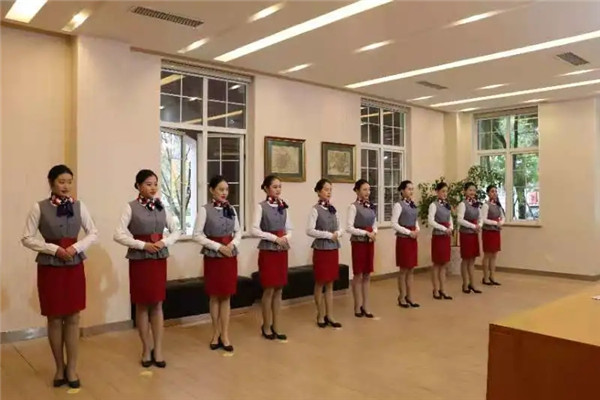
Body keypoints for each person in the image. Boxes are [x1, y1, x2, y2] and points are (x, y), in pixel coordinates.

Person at [22, 164, 98, 388]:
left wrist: (76, 247)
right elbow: (27, 238)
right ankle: (59, 368)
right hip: (50, 267)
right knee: (54, 318)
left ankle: (72, 368)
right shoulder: (39, 207)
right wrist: (54, 249)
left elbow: (93, 232)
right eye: (61, 181)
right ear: (51, 183)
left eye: (69, 182)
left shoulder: (79, 206)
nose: (66, 186)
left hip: (74, 265)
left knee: (73, 317)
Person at [114, 169, 181, 368]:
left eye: (155, 184)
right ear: (138, 186)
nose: (153, 188)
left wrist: (164, 242)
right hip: (140, 259)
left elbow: (176, 230)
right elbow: (118, 234)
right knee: (142, 305)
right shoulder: (130, 207)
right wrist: (143, 245)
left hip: (158, 258)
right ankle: (146, 348)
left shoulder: (162, 206)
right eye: (148, 184)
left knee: (158, 304)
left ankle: (158, 349)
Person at [193, 175, 242, 352]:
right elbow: (197, 235)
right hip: (213, 256)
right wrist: (218, 247)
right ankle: (215, 333)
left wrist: (232, 245)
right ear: (212, 190)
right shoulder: (205, 210)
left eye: (226, 189)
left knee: (226, 296)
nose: (224, 192)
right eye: (221, 189)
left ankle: (225, 334)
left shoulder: (231, 209)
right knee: (214, 296)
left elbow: (238, 232)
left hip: (229, 255)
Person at [251, 175, 292, 340]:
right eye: (275, 187)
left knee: (279, 289)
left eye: (279, 186)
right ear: (267, 188)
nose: (278, 189)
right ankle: (266, 325)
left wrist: (285, 238)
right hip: (268, 250)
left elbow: (290, 228)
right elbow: (255, 229)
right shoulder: (261, 207)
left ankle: (277, 325)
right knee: (269, 288)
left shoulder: (284, 206)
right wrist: (274, 238)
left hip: (282, 249)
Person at [306, 179, 344, 328]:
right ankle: (320, 314)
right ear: (318, 191)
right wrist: (328, 235)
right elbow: (309, 230)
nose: (329, 192)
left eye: (330, 190)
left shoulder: (333, 209)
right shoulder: (315, 209)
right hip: (321, 249)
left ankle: (330, 315)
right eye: (326, 189)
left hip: (333, 248)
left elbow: (340, 227)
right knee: (320, 281)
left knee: (330, 283)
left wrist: (338, 233)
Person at [346, 179, 377, 318]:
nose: (367, 192)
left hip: (369, 241)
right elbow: (349, 227)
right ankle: (357, 305)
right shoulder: (353, 207)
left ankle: (366, 305)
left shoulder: (371, 206)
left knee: (367, 274)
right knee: (358, 274)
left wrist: (374, 232)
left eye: (369, 189)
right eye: (364, 189)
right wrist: (365, 233)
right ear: (357, 191)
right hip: (358, 242)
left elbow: (374, 223)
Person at [392, 180, 420, 308]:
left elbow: (415, 221)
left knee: (411, 269)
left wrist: (417, 230)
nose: (411, 191)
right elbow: (394, 223)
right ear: (402, 191)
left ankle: (410, 296)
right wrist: (409, 232)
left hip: (413, 239)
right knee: (403, 269)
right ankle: (401, 296)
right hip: (404, 239)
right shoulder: (398, 205)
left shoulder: (413, 205)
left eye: (412, 189)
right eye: (409, 189)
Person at [428, 182, 454, 300]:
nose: (445, 193)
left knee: (444, 264)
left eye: (446, 191)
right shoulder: (433, 205)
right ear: (437, 192)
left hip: (446, 236)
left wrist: (451, 228)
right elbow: (431, 221)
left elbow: (450, 219)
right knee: (437, 263)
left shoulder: (447, 205)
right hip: (438, 236)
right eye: (443, 191)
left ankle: (443, 289)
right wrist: (444, 229)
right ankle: (435, 289)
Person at [457, 182, 483, 294]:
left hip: (474, 234)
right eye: (470, 190)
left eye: (474, 190)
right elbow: (460, 220)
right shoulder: (462, 204)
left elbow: (481, 218)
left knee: (472, 259)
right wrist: (473, 226)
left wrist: (479, 225)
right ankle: (465, 284)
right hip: (466, 234)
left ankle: (472, 284)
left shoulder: (477, 204)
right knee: (466, 259)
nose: (472, 192)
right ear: (465, 191)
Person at [481, 184, 505, 286]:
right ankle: (485, 277)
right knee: (487, 255)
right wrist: (496, 223)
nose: (494, 193)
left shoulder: (498, 205)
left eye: (495, 191)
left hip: (496, 232)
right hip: (488, 232)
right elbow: (484, 219)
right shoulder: (486, 205)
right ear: (488, 193)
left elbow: (503, 217)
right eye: (492, 191)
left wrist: (501, 223)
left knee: (494, 255)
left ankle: (492, 276)